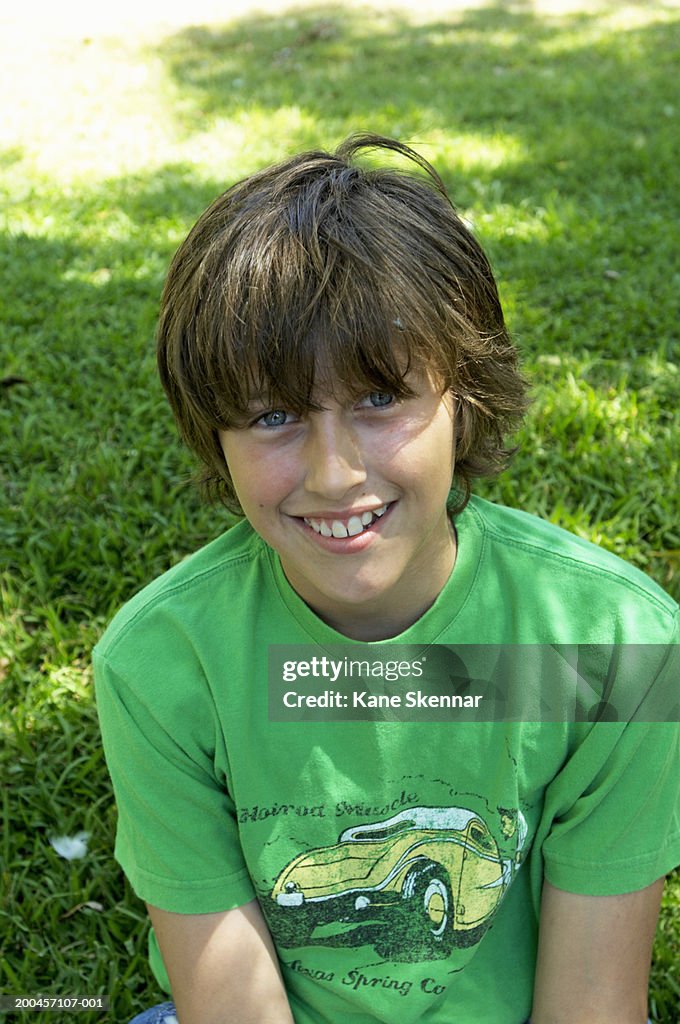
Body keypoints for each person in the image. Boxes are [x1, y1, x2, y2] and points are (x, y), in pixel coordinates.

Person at [93, 133, 679, 1024]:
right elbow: (231, 1004)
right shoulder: (164, 666)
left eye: (380, 398)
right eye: (273, 414)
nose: (333, 475)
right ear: (216, 436)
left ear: (466, 397)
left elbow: (591, 1005)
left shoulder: (614, 648)